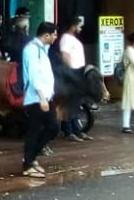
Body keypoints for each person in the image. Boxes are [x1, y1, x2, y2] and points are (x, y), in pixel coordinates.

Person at [20, 21, 60, 178]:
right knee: (34, 131)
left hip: (45, 96)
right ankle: (27, 164)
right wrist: (42, 97)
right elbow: (34, 75)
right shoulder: (32, 50)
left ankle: (31, 157)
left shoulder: (43, 49)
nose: (56, 38)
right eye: (54, 34)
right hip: (36, 97)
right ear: (46, 35)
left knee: (53, 127)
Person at [56, 18, 90, 141]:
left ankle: (77, 130)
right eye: (79, 26)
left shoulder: (72, 39)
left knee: (75, 103)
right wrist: (70, 72)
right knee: (68, 103)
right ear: (73, 26)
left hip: (77, 72)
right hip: (71, 73)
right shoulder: (65, 38)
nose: (80, 29)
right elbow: (65, 56)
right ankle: (68, 131)